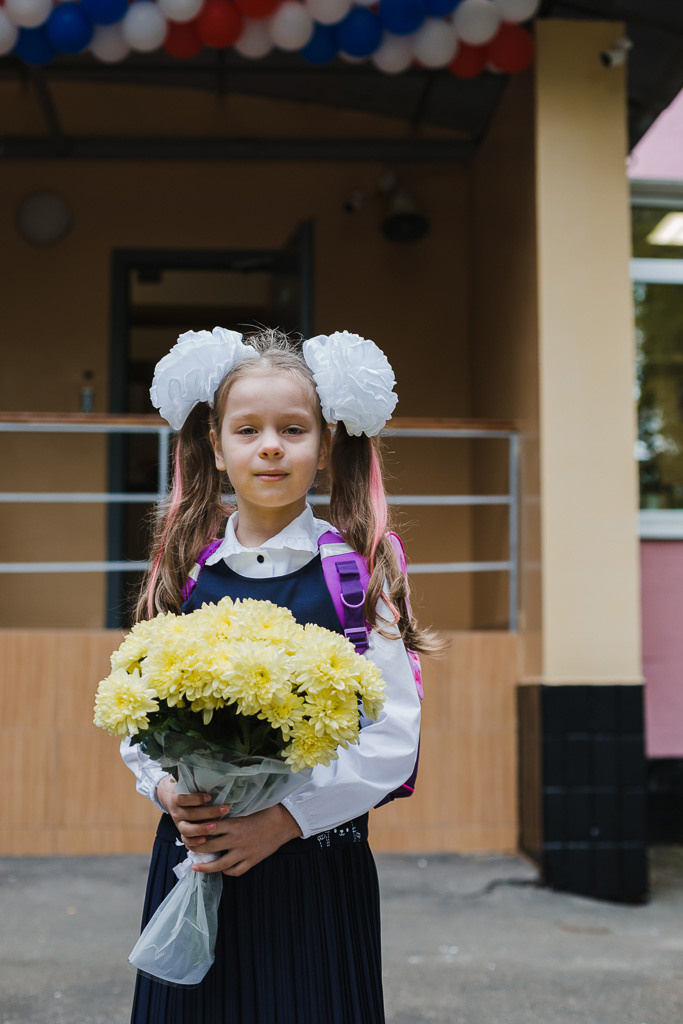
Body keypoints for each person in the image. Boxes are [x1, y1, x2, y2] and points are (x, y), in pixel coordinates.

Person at [121, 326, 434, 1024]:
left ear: (325, 443)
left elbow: (391, 738)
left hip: (310, 865)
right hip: (195, 847)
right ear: (215, 445)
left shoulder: (360, 573)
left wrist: (286, 820)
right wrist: (167, 789)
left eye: (293, 429)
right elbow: (136, 712)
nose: (270, 446)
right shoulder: (182, 569)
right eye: (248, 430)